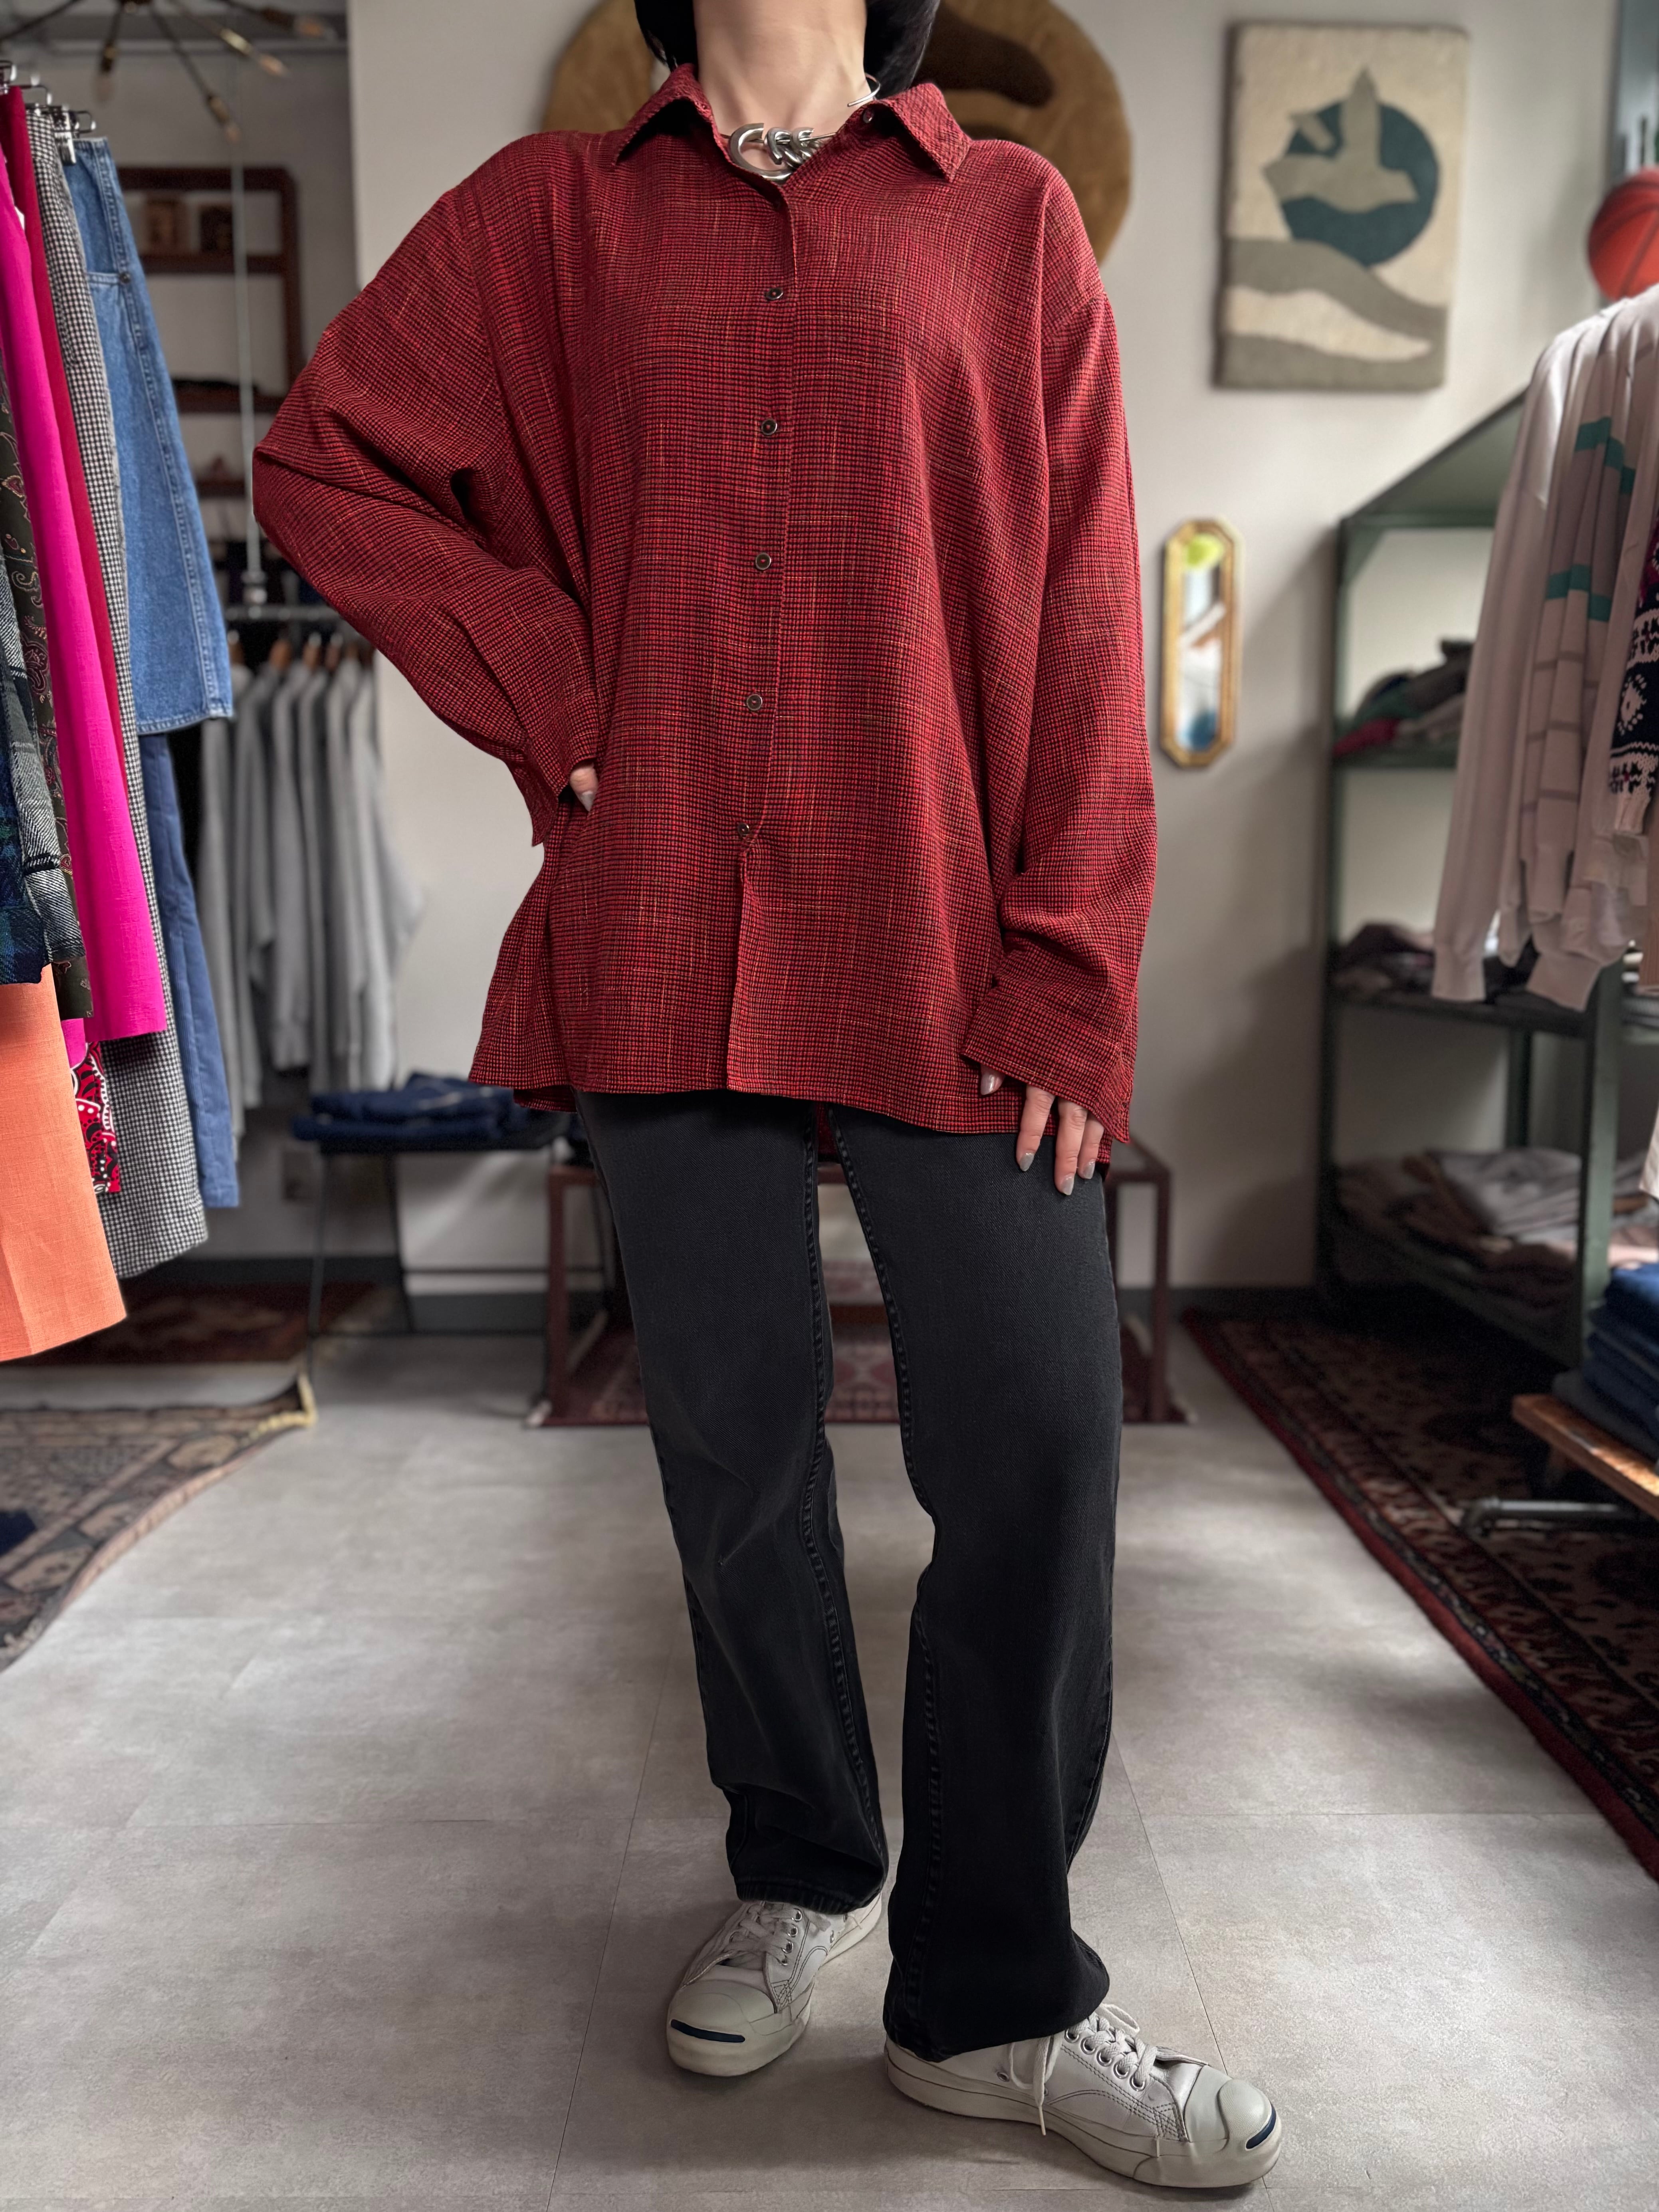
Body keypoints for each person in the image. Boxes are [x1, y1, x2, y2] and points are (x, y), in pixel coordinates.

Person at [253, 0, 1281, 2187]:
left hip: (946, 923)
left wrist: (1075, 960)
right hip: (664, 915)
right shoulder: (558, 218)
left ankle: (993, 1997)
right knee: (730, 1436)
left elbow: (1090, 606)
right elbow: (324, 458)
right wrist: (553, 685)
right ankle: (803, 1864)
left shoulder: (1008, 222)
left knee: (1038, 1436)